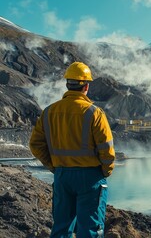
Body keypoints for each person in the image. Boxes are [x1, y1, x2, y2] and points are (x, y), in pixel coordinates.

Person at [29, 61, 115, 237]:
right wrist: (105, 171)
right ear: (86, 86)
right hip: (90, 177)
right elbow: (107, 149)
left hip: (63, 176)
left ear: (68, 84)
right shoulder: (94, 113)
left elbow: (35, 144)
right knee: (90, 229)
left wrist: (54, 166)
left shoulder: (49, 112)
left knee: (61, 227)